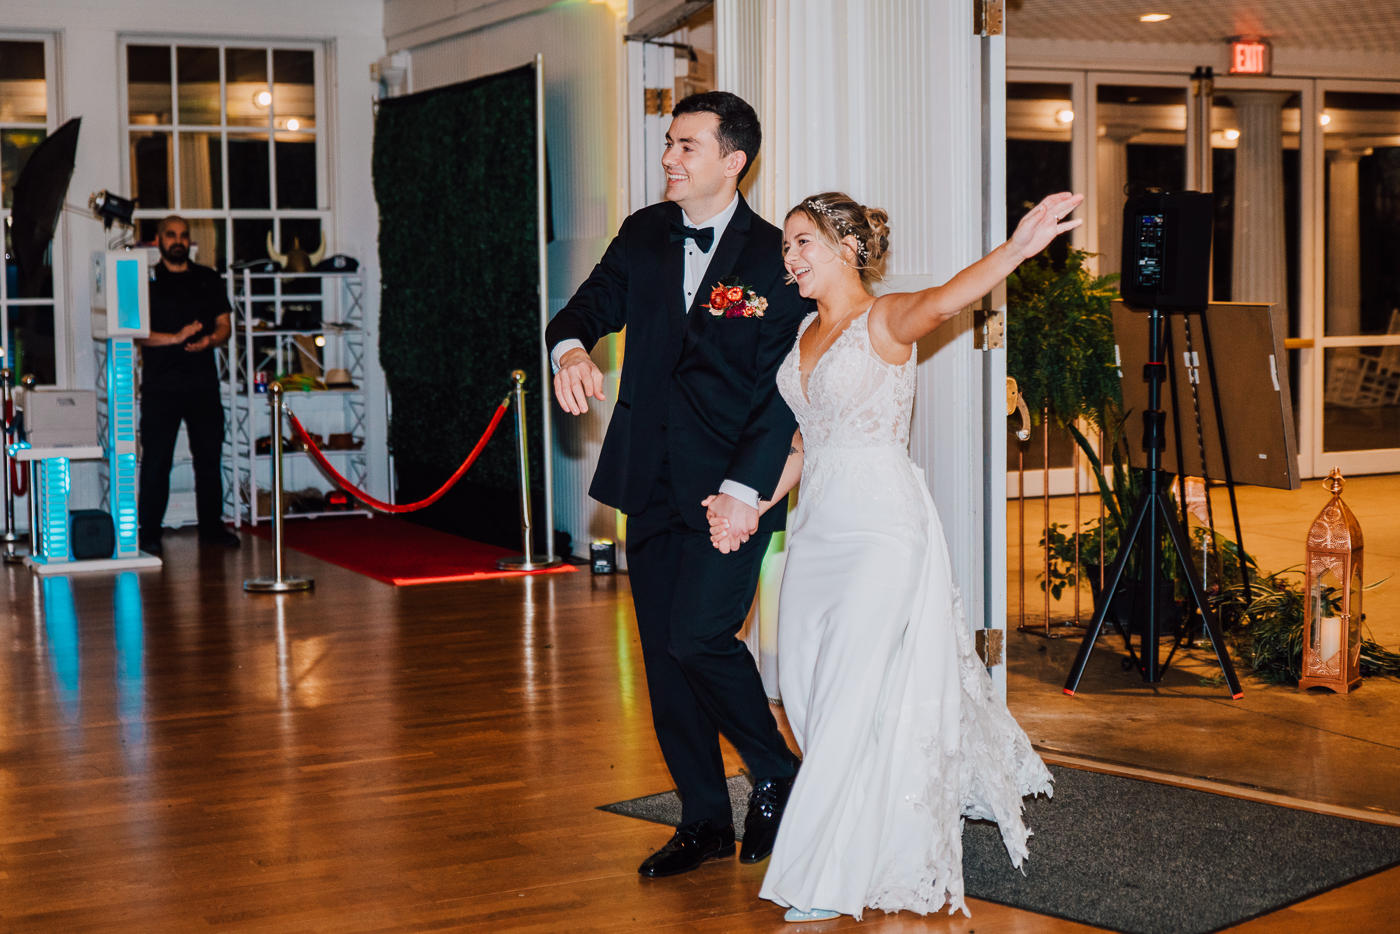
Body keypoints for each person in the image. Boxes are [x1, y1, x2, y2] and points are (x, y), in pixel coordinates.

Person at [706, 190, 1083, 921]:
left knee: (847, 698)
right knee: (814, 698)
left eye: (803, 242)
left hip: (882, 531)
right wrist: (752, 505)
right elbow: (802, 444)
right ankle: (865, 838)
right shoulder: (802, 338)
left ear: (848, 248)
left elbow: (945, 302)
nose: (790, 258)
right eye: (785, 247)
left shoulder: (885, 319)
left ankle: (818, 876)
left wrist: (1017, 249)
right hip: (814, 531)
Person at [547, 91, 810, 877]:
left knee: (701, 636)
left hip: (735, 490)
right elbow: (585, 307)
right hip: (648, 481)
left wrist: (744, 489)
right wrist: (570, 351)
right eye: (670, 143)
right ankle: (702, 820)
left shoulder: (775, 257)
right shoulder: (644, 233)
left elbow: (780, 392)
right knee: (665, 658)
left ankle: (775, 767)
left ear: (734, 160)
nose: (669, 158)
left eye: (688, 146)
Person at [137, 215, 240, 554]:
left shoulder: (208, 279)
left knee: (209, 459)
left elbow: (225, 324)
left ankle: (212, 528)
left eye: (183, 235)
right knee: (156, 462)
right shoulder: (145, 281)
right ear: (158, 240)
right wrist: (176, 338)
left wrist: (211, 339)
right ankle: (148, 532)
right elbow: (138, 334)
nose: (178, 240)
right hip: (160, 387)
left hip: (203, 386)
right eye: (171, 235)